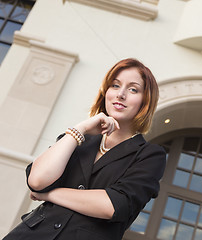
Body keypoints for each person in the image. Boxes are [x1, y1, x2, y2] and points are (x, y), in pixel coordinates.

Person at [3, 58, 166, 240]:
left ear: (146, 101)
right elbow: (37, 181)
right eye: (115, 85)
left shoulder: (150, 155)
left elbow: (112, 205)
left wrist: (49, 194)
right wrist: (80, 129)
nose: (121, 94)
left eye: (133, 89)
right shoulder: (78, 139)